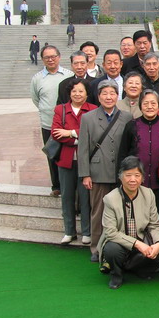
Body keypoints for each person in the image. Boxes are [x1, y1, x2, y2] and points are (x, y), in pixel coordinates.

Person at [78, 80, 133, 261]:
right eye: (105, 93)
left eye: (112, 93)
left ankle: (119, 247)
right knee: (98, 212)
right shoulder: (88, 118)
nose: (109, 97)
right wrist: (85, 174)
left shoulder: (126, 117)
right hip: (98, 171)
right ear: (98, 96)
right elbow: (83, 148)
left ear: (117, 96)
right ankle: (96, 248)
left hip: (120, 173)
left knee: (121, 212)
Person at [99, 156, 159, 289]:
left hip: (143, 240)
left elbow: (154, 225)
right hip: (120, 243)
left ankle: (141, 270)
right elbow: (110, 232)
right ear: (121, 177)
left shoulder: (148, 194)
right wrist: (137, 244)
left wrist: (158, 243)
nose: (133, 179)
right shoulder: (110, 199)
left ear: (142, 178)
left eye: (137, 175)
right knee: (111, 249)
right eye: (128, 175)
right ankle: (117, 274)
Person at [51, 78, 97, 245]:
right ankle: (69, 231)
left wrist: (70, 133)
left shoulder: (93, 109)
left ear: (87, 93)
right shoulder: (60, 109)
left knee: (86, 197)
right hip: (66, 160)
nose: (77, 94)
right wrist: (79, 137)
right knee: (67, 196)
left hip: (87, 161)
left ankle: (86, 231)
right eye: (74, 91)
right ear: (69, 93)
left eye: (81, 91)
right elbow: (56, 133)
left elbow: (93, 134)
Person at [118, 89, 159, 230]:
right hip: (136, 183)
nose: (149, 106)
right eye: (146, 103)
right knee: (137, 219)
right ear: (140, 105)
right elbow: (123, 154)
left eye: (153, 103)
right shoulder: (131, 126)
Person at [31, 45, 74, 197]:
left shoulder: (69, 75)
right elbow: (36, 99)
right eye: (47, 57)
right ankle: (56, 185)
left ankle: (69, 184)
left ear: (59, 57)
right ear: (42, 59)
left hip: (68, 124)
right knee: (52, 153)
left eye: (53, 56)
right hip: (48, 124)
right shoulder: (37, 79)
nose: (50, 59)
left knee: (67, 154)